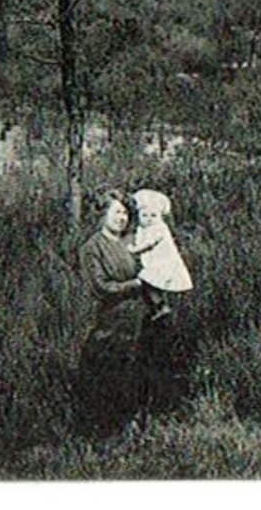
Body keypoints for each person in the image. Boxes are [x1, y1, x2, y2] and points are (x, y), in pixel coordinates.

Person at [75, 188, 149, 440]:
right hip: (111, 321)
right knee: (110, 372)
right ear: (102, 214)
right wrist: (136, 284)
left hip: (139, 315)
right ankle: (105, 432)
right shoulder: (92, 247)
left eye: (125, 213)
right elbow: (101, 287)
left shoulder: (132, 242)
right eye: (116, 212)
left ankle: (136, 427)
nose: (122, 218)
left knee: (139, 370)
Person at [128, 188, 193, 323]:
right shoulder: (141, 229)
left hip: (163, 263)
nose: (149, 219)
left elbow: (149, 243)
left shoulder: (159, 228)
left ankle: (161, 307)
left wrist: (134, 250)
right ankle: (158, 307)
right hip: (152, 262)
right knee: (149, 284)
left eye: (153, 216)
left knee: (147, 281)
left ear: (159, 217)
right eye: (145, 216)